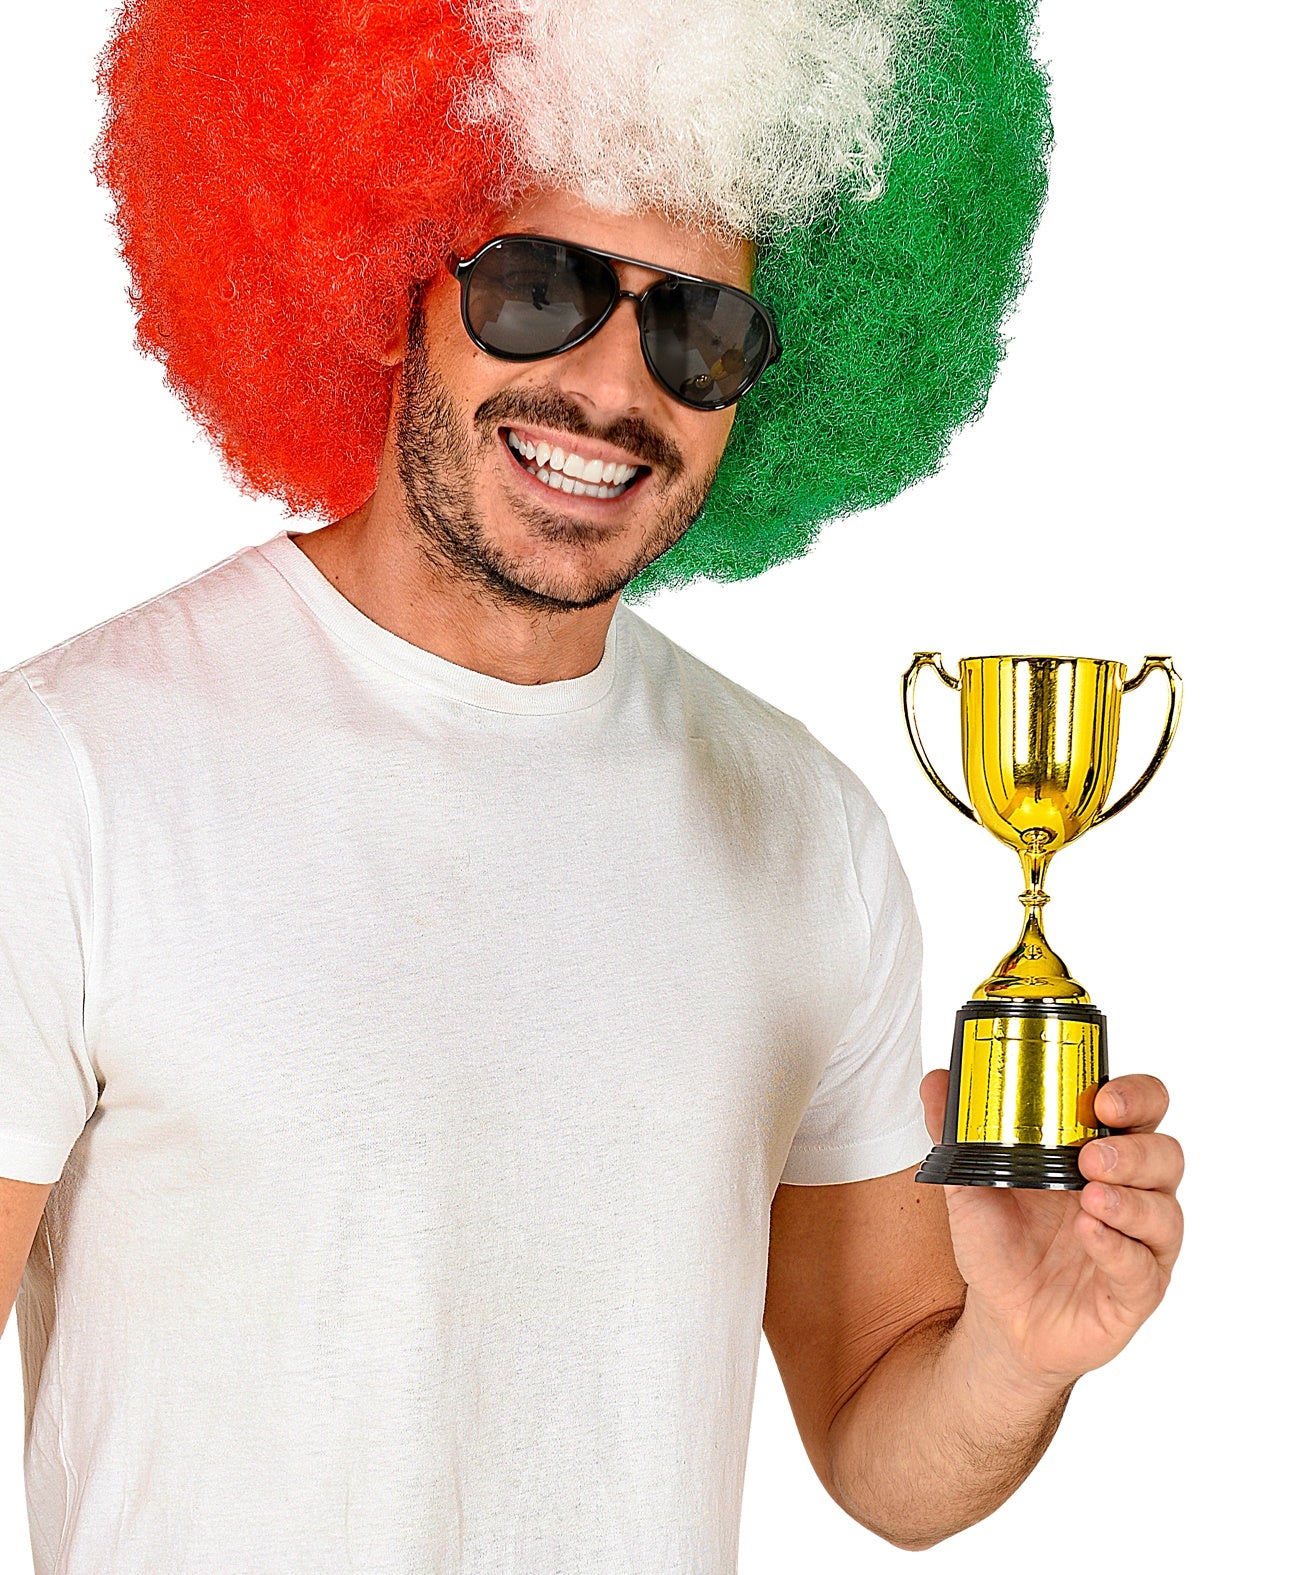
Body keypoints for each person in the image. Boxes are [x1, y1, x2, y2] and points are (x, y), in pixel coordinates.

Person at [0, 1, 1183, 1569]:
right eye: (537, 288)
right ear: (389, 289)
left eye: (699, 329)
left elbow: (883, 1451)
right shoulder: (73, 776)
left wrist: (1019, 1353)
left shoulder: (805, 830)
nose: (613, 387)